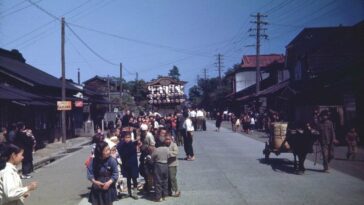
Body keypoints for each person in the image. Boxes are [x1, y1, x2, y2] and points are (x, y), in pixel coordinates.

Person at [117, 132, 139, 200]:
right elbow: (119, 149)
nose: (127, 139)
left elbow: (127, 152)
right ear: (124, 138)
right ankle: (129, 193)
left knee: (134, 178)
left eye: (129, 137)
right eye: (126, 137)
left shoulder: (132, 144)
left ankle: (135, 193)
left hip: (133, 164)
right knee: (128, 179)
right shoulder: (122, 145)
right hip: (126, 164)